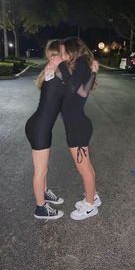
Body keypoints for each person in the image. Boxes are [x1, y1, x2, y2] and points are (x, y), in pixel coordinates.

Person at [48, 37, 102, 221]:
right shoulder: (82, 66)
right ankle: (93, 196)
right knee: (86, 166)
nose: (62, 56)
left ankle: (89, 207)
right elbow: (82, 91)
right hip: (78, 125)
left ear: (72, 51)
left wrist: (61, 65)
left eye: (64, 52)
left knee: (84, 169)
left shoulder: (81, 64)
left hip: (77, 127)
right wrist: (93, 72)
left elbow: (72, 88)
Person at [25, 39, 65, 220]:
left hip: (40, 126)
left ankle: (45, 191)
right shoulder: (54, 68)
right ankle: (40, 208)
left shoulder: (53, 70)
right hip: (40, 128)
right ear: (56, 54)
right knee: (40, 170)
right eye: (63, 52)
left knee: (43, 167)